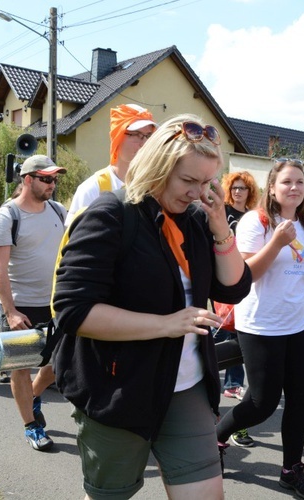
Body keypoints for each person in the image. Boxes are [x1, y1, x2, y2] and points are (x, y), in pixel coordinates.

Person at [52, 115, 251, 499]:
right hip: (119, 389)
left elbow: (234, 288)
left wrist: (220, 227)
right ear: (158, 167)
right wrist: (166, 324)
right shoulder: (111, 214)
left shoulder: (195, 219)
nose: (197, 192)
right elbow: (73, 310)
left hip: (186, 386)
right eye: (187, 180)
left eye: (207, 182)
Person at [215, 158, 304, 500]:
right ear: (272, 187)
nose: (295, 188)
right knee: (262, 403)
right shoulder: (254, 223)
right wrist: (276, 242)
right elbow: (245, 276)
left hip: (299, 323)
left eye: (300, 182)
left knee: (301, 400)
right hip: (260, 324)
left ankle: (291, 470)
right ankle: (216, 437)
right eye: (287, 182)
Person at [0, 154, 67, 452]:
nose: (52, 184)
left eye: (54, 179)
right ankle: (31, 426)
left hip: (57, 303)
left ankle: (34, 394)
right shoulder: (6, 216)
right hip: (20, 305)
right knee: (21, 367)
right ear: (28, 179)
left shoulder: (59, 210)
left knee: (61, 362)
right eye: (46, 179)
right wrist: (10, 311)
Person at [212, 171, 259, 448]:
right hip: (223, 291)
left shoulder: (252, 217)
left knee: (240, 348)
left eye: (244, 188)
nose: (239, 192)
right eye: (235, 188)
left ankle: (235, 418)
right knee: (215, 345)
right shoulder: (223, 212)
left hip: (247, 290)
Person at [65, 103, 156, 226]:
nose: (144, 143)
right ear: (117, 136)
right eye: (136, 134)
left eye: (148, 136)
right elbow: (74, 240)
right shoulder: (92, 190)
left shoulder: (156, 187)